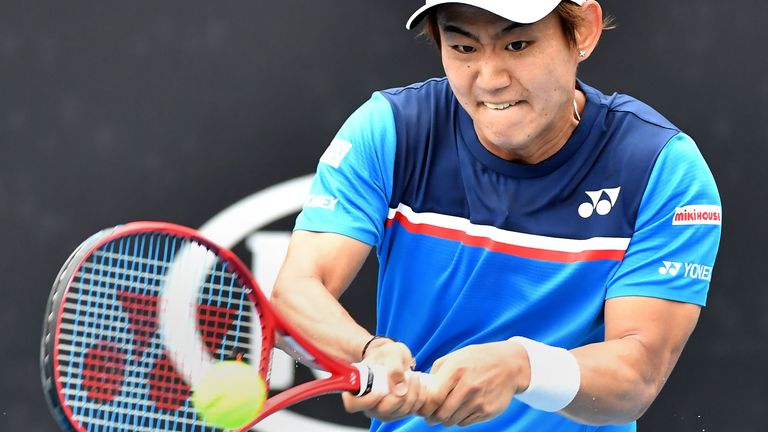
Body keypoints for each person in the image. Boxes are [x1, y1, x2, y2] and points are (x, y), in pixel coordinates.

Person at [271, 0, 722, 431]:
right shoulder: (390, 130)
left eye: (517, 45)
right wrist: (368, 351)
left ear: (582, 31)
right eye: (464, 48)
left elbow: (637, 375)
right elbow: (297, 294)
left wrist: (522, 367)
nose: (489, 79)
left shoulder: (661, 168)